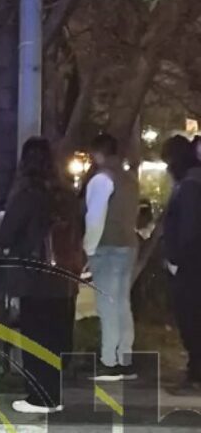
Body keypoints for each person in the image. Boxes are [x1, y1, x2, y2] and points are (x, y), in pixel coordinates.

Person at [0, 137, 83, 414]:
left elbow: (6, 235)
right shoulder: (66, 196)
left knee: (35, 336)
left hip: (36, 278)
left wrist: (1, 223)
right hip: (64, 277)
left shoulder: (27, 195)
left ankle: (40, 398)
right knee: (56, 337)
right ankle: (53, 395)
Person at [83, 133, 139, 381]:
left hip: (107, 247)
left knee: (107, 305)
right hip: (128, 245)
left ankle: (109, 360)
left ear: (98, 154)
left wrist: (89, 248)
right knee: (122, 303)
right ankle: (125, 357)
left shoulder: (101, 180)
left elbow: (95, 218)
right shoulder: (130, 179)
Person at [161, 136, 201, 395]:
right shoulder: (193, 181)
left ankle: (196, 374)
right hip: (193, 262)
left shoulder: (189, 186)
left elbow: (188, 228)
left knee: (191, 319)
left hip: (190, 266)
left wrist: (175, 259)